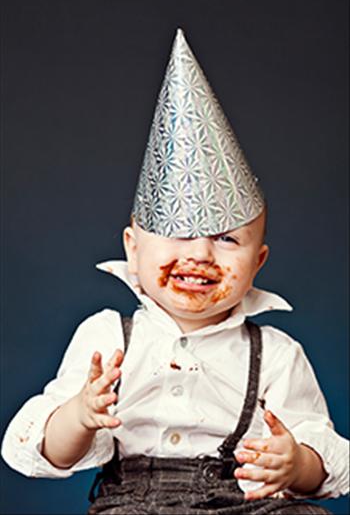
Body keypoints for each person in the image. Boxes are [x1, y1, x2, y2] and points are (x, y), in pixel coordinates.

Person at [2, 29, 349, 515]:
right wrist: (80, 415)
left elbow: (318, 454)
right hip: (133, 504)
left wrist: (295, 464)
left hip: (246, 504)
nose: (202, 253)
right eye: (179, 234)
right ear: (133, 247)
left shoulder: (276, 355)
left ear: (258, 264)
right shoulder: (108, 337)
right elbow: (51, 451)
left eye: (228, 239)